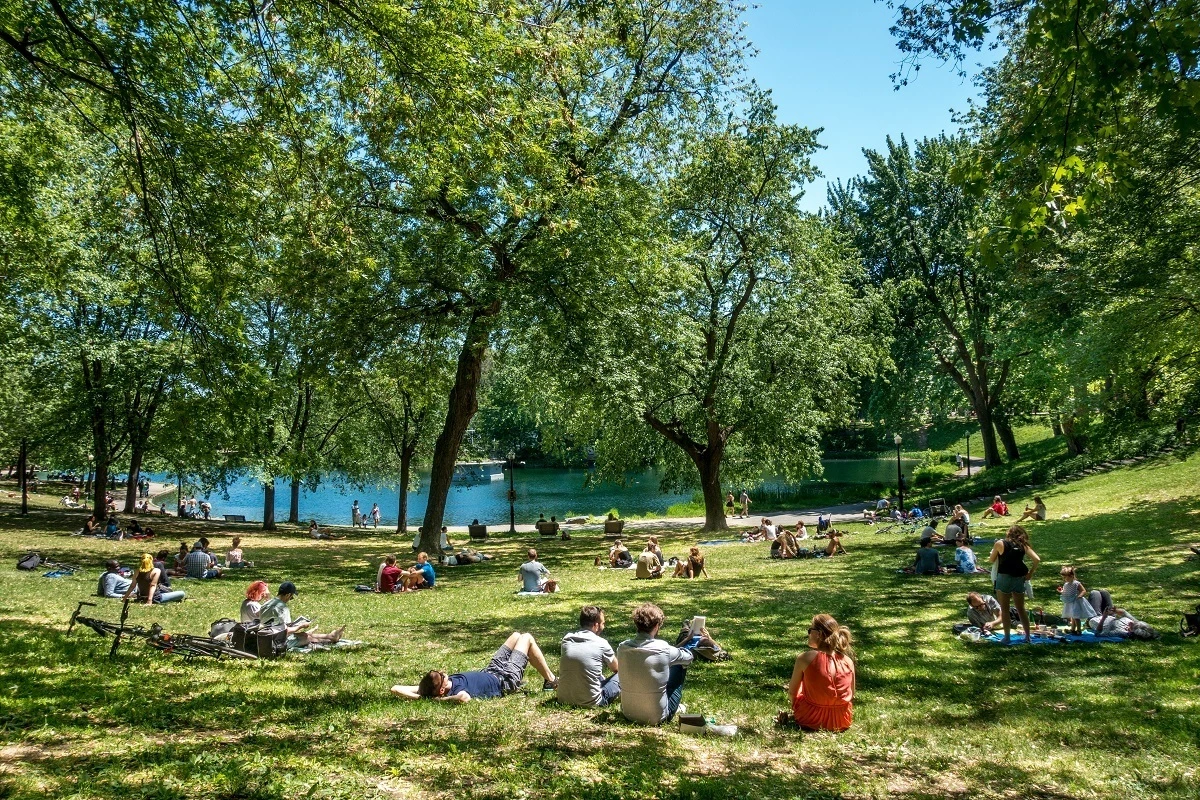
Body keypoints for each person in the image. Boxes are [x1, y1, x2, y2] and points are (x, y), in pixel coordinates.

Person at [390, 631, 559, 702]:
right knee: (527, 637)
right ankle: (551, 680)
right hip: (504, 680)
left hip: (492, 669)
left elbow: (395, 688)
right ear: (441, 689)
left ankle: (549, 679)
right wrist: (442, 700)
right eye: (442, 676)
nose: (443, 672)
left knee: (515, 635)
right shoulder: (456, 692)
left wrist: (425, 698)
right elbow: (464, 699)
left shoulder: (427, 689)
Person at [617, 603, 693, 726]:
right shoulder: (664, 648)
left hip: (628, 714)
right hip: (658, 718)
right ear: (657, 626)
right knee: (680, 666)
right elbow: (689, 658)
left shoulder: (622, 647)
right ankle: (672, 704)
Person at [782, 614, 856, 732]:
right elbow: (851, 694)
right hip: (842, 720)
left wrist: (795, 707)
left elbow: (792, 692)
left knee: (802, 686)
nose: (809, 633)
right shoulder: (848, 661)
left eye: (810, 630)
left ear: (819, 634)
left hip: (810, 718)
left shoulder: (805, 658)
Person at [558, 605, 621, 708]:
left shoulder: (567, 639)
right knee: (622, 674)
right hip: (592, 702)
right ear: (596, 625)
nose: (603, 627)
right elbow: (617, 669)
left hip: (563, 698)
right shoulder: (601, 643)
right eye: (603, 623)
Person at [989, 525, 1041, 644]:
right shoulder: (1023, 545)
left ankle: (1007, 637)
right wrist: (1030, 573)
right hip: (1019, 578)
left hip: (1004, 578)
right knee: (1021, 608)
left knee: (1005, 609)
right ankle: (1028, 637)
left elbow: (991, 560)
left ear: (1008, 533)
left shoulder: (1000, 543)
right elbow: (1037, 559)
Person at [258, 581, 345, 646]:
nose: (290, 599)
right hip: (277, 641)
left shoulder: (267, 603)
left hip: (264, 636)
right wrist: (301, 626)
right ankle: (332, 638)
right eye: (291, 597)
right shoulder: (282, 607)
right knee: (306, 638)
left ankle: (331, 636)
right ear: (288, 595)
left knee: (303, 635)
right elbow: (287, 630)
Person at [1060, 565, 1091, 634]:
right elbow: (1066, 592)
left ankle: (1079, 630)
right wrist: (1062, 591)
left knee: (1076, 616)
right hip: (1069, 602)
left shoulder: (1076, 583)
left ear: (1071, 576)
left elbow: (1083, 590)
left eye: (1065, 577)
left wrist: (1080, 596)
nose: (1064, 579)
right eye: (1064, 577)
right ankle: (1072, 629)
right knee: (1072, 616)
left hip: (1076, 601)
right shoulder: (1066, 584)